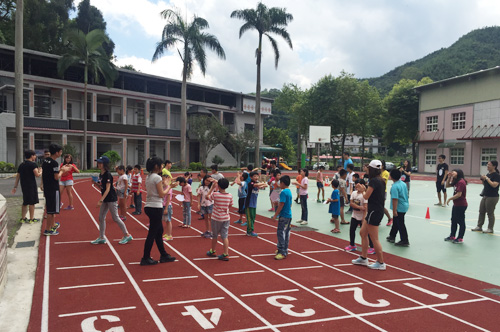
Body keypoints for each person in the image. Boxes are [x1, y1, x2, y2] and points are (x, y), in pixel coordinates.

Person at [141, 156, 176, 265]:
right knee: (152, 233)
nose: (162, 166)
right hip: (156, 206)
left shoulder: (149, 176)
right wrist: (170, 187)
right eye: (161, 165)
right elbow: (161, 194)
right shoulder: (157, 178)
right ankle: (145, 257)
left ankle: (164, 254)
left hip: (149, 205)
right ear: (156, 166)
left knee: (159, 231)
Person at [352, 160, 386, 270]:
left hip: (374, 211)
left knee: (374, 238)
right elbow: (372, 193)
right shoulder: (381, 180)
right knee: (363, 233)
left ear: (371, 169)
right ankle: (363, 257)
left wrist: (362, 190)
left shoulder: (373, 181)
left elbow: (366, 196)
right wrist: (365, 190)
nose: (366, 169)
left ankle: (381, 262)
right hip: (375, 210)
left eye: (368, 168)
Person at [91, 156, 133, 245]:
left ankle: (127, 234)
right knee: (101, 217)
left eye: (100, 163)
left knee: (115, 217)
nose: (98, 164)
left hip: (111, 199)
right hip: (106, 198)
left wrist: (101, 200)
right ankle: (101, 237)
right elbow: (102, 187)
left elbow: (108, 189)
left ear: (105, 164)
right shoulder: (101, 174)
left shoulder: (107, 174)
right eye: (98, 162)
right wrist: (95, 184)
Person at [42, 144, 70, 236]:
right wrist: (62, 170)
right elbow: (56, 177)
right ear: (57, 152)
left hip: (47, 187)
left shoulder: (45, 161)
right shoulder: (54, 163)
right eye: (60, 152)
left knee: (51, 207)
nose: (61, 153)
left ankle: (53, 225)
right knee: (51, 210)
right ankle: (48, 230)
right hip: (53, 189)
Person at [206, 178, 233, 261]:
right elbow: (230, 205)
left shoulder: (215, 194)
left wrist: (212, 188)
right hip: (226, 218)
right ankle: (226, 253)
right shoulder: (230, 195)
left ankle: (213, 251)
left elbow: (207, 197)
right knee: (225, 236)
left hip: (216, 218)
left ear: (218, 186)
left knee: (215, 235)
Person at [12, 149, 42, 223]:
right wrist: (41, 171)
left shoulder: (22, 165)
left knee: (25, 202)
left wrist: (15, 186)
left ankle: (23, 218)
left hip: (24, 185)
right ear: (32, 156)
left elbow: (18, 176)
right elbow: (37, 175)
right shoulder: (33, 164)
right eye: (34, 155)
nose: (35, 157)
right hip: (31, 185)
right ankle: (31, 219)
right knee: (32, 202)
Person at [345, 179, 375, 253]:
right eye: (356, 184)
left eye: (358, 184)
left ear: (362, 185)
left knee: (366, 232)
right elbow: (351, 203)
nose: (356, 186)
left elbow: (365, 207)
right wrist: (358, 207)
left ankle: (372, 247)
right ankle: (352, 245)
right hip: (354, 215)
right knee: (352, 230)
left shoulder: (364, 195)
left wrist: (364, 218)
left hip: (363, 217)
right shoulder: (354, 193)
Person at [473, 160, 500, 234]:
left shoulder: (496, 175)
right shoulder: (488, 174)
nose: (487, 166)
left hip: (492, 197)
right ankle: (479, 226)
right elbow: (486, 185)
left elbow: (494, 185)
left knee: (490, 213)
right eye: (487, 165)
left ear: (494, 166)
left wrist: (487, 179)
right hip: (485, 195)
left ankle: (490, 228)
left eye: (489, 165)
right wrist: (483, 179)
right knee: (481, 211)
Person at [386, 169, 410, 246]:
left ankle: (405, 240)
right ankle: (392, 236)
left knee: (400, 223)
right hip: (404, 205)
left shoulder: (394, 186)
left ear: (392, 177)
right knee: (396, 222)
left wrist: (394, 210)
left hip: (399, 207)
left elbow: (395, 199)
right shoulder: (403, 184)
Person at [272, 175, 293, 260]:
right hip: (288, 215)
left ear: (283, 183)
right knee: (286, 233)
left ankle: (282, 251)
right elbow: (290, 204)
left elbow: (281, 204)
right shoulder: (289, 191)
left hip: (284, 216)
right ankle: (283, 249)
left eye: (280, 183)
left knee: (281, 233)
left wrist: (276, 214)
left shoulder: (283, 192)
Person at [445, 169, 468, 244]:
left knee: (461, 221)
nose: (452, 173)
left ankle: (460, 238)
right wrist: (448, 177)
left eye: (454, 172)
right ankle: (452, 236)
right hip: (456, 204)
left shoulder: (461, 182)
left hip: (461, 205)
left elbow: (459, 194)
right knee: (453, 220)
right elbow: (447, 185)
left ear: (458, 173)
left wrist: (449, 199)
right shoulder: (456, 181)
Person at [245, 171, 267, 237]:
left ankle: (250, 230)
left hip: (254, 204)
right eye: (254, 176)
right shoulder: (250, 183)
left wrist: (261, 184)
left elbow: (265, 185)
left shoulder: (257, 183)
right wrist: (261, 183)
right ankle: (250, 231)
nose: (256, 177)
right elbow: (255, 185)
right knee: (249, 218)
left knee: (253, 217)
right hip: (249, 204)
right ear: (251, 177)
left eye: (257, 176)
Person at [162, 173, 176, 241]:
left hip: (167, 206)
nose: (162, 181)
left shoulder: (169, 188)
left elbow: (168, 199)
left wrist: (166, 208)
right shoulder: (164, 187)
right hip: (163, 205)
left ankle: (169, 235)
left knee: (168, 220)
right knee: (166, 221)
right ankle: (167, 233)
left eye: (164, 180)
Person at [380, 161, 393, 226]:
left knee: (381, 206)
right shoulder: (378, 172)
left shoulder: (386, 173)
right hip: (377, 191)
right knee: (377, 206)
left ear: (383, 166)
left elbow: (383, 181)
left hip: (383, 191)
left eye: (380, 165)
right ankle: (378, 219)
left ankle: (389, 218)